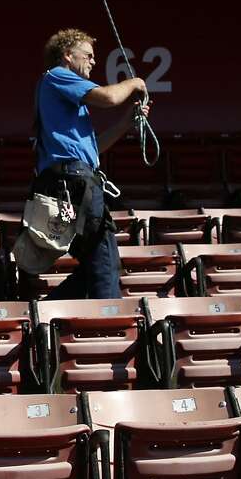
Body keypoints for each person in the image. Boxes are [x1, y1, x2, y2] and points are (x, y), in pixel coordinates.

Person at [29, 27, 151, 299]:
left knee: (98, 263)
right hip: (73, 184)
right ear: (68, 56)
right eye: (89, 55)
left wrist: (125, 124)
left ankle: (49, 311)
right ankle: (109, 326)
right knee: (104, 257)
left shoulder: (63, 96)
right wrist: (136, 82)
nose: (94, 61)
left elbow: (94, 150)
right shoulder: (59, 77)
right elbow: (108, 97)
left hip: (66, 182)